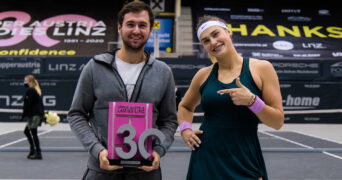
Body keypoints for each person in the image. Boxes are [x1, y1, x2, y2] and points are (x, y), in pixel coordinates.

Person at [67, 1, 178, 180]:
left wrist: (158, 151)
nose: (136, 30)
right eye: (130, 24)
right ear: (119, 28)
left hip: (146, 172)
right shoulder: (94, 67)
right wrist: (98, 151)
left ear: (151, 30)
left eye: (142, 25)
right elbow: (76, 114)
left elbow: (170, 121)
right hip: (101, 171)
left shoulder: (163, 72)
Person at [177, 15, 284, 180]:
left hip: (244, 162)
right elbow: (185, 107)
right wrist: (185, 129)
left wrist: (252, 102)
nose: (212, 42)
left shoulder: (262, 68)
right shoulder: (203, 75)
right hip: (206, 161)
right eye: (206, 40)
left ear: (228, 32)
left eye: (216, 34)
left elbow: (277, 122)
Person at [22, 74, 44, 160]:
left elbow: (29, 104)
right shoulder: (33, 90)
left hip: (34, 115)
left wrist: (25, 115)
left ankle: (38, 153)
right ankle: (32, 150)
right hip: (34, 115)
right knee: (27, 131)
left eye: (25, 81)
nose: (24, 83)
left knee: (33, 133)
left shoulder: (31, 90)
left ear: (30, 82)